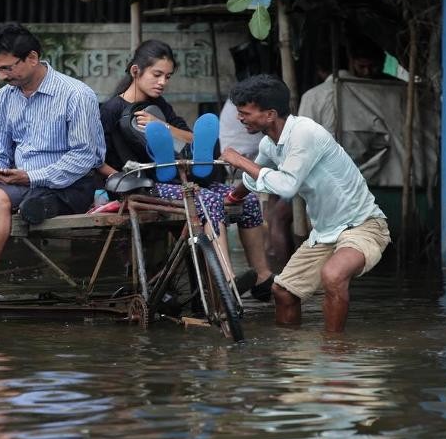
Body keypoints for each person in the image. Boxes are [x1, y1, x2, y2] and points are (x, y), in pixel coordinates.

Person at [0, 22, 105, 314]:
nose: (2, 76)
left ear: (32, 58)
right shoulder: (4, 98)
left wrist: (30, 177)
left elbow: (85, 157)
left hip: (68, 185)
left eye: (7, 68)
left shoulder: (76, 95)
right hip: (17, 183)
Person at [97, 39, 274, 301]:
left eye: (167, 77)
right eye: (157, 75)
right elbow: (96, 159)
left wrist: (163, 126)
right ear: (136, 72)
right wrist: (117, 180)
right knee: (209, 200)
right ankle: (225, 280)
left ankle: (262, 277)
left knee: (245, 199)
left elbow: (190, 137)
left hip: (181, 180)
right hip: (141, 186)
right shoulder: (110, 110)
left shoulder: (162, 107)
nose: (162, 82)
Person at [220, 75, 390, 332]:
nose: (240, 118)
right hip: (324, 234)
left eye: (245, 113)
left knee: (333, 276)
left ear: (270, 114)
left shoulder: (305, 133)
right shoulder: (270, 143)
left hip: (363, 226)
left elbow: (287, 185)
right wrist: (233, 197)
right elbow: (253, 176)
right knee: (282, 291)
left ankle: (335, 352)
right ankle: (293, 359)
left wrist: (239, 160)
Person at [298, 34, 386, 134]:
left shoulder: (312, 96)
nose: (367, 72)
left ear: (319, 70)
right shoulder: (375, 92)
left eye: (372, 66)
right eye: (362, 67)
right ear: (350, 63)